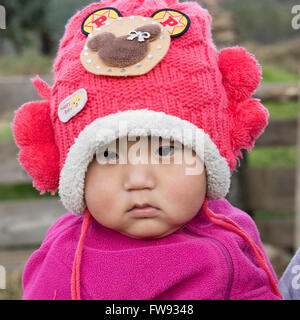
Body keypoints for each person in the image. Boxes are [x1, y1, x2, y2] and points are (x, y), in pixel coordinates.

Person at [12, 0, 282, 300]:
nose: (138, 180)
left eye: (165, 151)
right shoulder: (66, 257)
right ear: (77, 170)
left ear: (206, 158)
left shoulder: (234, 235)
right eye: (108, 155)